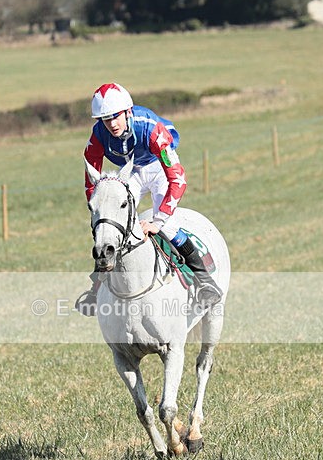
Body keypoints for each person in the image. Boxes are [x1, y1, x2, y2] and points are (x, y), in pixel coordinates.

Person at [75, 82, 222, 315]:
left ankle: (205, 282)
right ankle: (95, 289)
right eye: (105, 119)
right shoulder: (98, 134)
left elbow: (178, 179)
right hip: (132, 172)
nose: (112, 124)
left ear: (127, 112)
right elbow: (91, 182)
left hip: (159, 170)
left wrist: (158, 221)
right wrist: (99, 208)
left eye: (116, 117)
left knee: (169, 226)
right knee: (113, 224)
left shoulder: (151, 129)